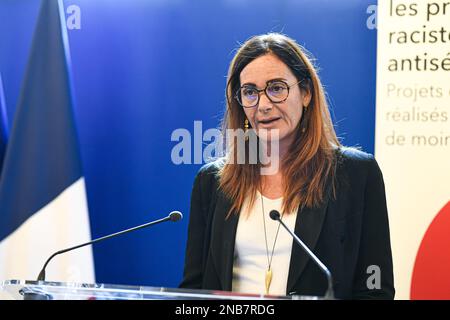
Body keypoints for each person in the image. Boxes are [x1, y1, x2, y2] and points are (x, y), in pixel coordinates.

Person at [179, 33, 395, 299]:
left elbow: (375, 288)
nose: (264, 105)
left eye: (277, 88)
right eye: (250, 92)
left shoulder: (356, 174)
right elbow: (193, 289)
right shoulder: (212, 181)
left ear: (305, 93)